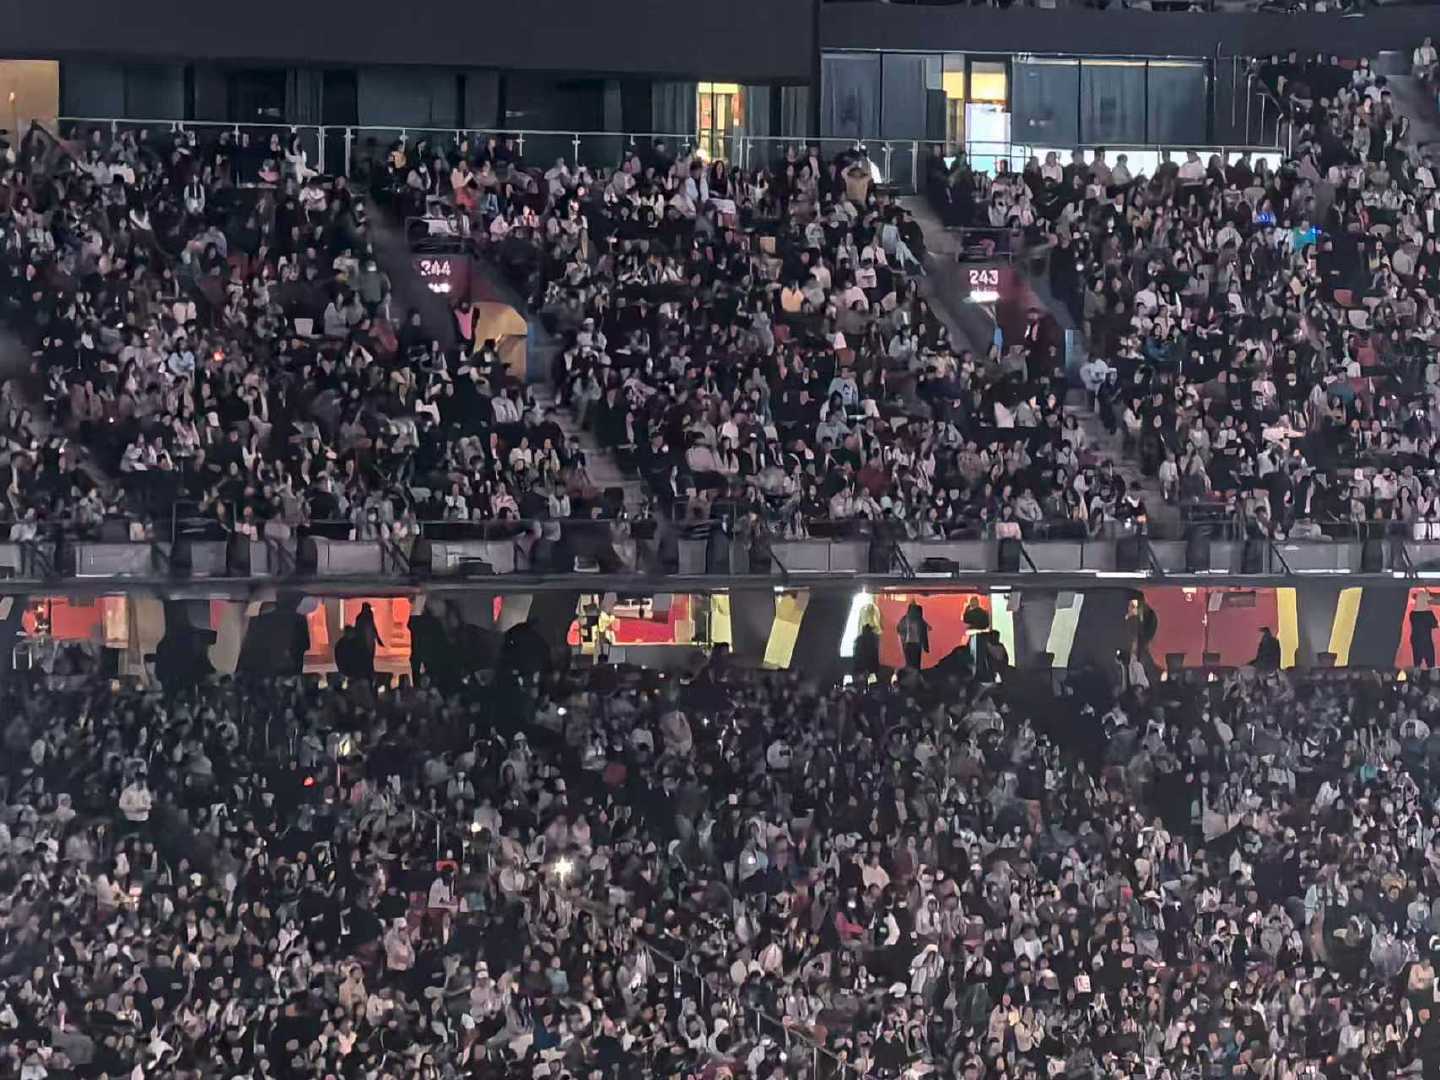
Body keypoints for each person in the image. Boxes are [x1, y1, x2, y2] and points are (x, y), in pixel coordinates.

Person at [896, 600, 930, 669]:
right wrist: (926, 647)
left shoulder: (905, 618)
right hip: (916, 645)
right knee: (916, 664)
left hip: (908, 644)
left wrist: (903, 640)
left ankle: (910, 674)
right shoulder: (919, 619)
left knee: (909, 664)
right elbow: (924, 633)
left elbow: (898, 628)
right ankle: (915, 674)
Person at [1413, 593, 1438, 668]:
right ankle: (1432, 674)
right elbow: (1434, 624)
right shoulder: (1428, 613)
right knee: (1430, 662)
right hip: (1426, 639)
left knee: (1417, 661)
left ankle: (1416, 673)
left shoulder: (1413, 614)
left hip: (1415, 639)